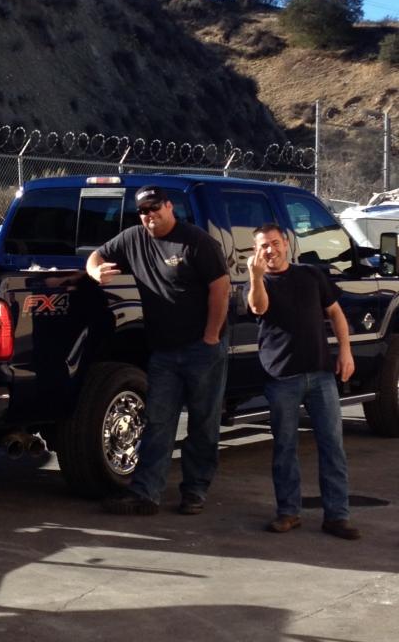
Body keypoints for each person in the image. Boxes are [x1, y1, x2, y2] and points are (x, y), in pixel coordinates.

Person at [86, 185, 230, 515]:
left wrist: (211, 336)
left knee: (203, 423)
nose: (149, 215)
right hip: (164, 350)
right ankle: (145, 493)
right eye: (143, 211)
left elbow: (220, 289)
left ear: (169, 207)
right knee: (157, 422)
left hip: (202, 348)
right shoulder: (133, 238)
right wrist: (95, 271)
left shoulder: (196, 241)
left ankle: (195, 491)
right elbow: (97, 255)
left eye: (155, 208)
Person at [247, 223, 360, 540]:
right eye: (263, 245)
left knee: (332, 447)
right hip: (281, 377)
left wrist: (346, 352)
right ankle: (288, 512)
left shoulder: (311, 274)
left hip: (321, 374)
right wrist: (255, 276)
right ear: (256, 251)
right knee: (285, 447)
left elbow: (335, 313)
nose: (270, 249)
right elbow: (258, 307)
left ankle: (337, 516)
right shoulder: (258, 282)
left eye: (274, 242)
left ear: (286, 243)